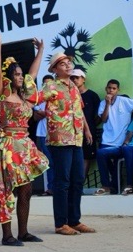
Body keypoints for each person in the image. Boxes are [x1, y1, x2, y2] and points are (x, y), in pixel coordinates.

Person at [0, 31, 50, 245]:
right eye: (17, 75)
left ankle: (23, 232)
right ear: (8, 77)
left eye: (21, 75)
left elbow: (32, 73)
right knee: (6, 190)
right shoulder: (3, 93)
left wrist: (40, 51)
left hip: (25, 146)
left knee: (26, 190)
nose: (21, 78)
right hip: (8, 146)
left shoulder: (25, 96)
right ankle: (7, 235)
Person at [38, 52, 94, 235]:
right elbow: (34, 100)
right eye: (63, 64)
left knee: (77, 179)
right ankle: (60, 223)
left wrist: (86, 130)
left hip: (76, 137)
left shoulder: (74, 87)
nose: (68, 65)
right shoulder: (51, 85)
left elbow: (79, 111)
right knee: (62, 181)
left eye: (69, 62)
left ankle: (74, 220)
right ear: (55, 69)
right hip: (60, 139)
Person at [94, 79, 133, 195]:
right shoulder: (103, 103)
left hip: (121, 142)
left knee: (103, 155)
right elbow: (103, 119)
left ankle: (109, 185)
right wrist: (108, 104)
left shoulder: (123, 101)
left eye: (114, 88)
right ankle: (112, 184)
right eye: (109, 88)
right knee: (101, 154)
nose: (111, 90)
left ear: (118, 90)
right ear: (106, 89)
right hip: (107, 139)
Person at [70, 69, 101, 180]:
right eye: (72, 78)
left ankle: (79, 185)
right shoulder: (69, 95)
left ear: (83, 79)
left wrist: (90, 128)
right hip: (71, 132)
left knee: (86, 157)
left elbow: (98, 116)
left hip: (88, 132)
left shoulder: (92, 96)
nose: (74, 80)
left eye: (77, 78)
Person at [33, 75, 55, 195]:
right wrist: (45, 113)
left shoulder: (57, 98)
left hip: (54, 134)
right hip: (42, 134)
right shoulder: (40, 100)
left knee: (57, 162)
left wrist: (44, 113)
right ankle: (51, 187)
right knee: (48, 162)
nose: (46, 86)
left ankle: (58, 187)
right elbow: (36, 117)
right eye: (44, 83)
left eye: (49, 83)